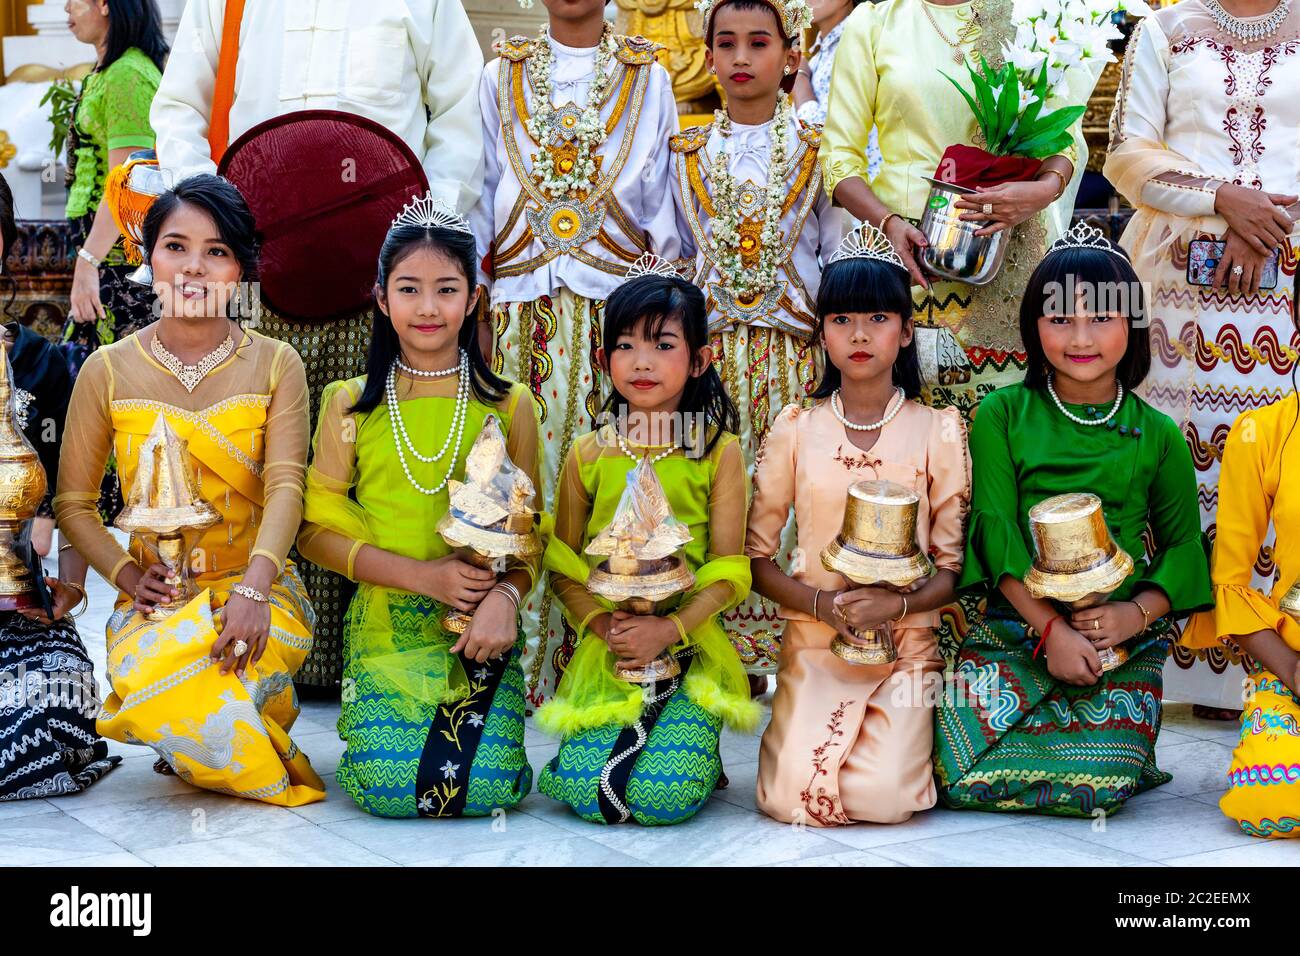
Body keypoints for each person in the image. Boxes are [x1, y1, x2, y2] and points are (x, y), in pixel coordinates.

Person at [150, 0, 487, 694]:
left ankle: (355, 660)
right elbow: (179, 103)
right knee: (261, 456)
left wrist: (423, 233)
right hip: (263, 270)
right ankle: (265, 645)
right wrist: (212, 208)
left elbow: (460, 114)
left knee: (364, 454)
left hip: (378, 275)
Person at [54, 175, 325, 806]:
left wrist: (256, 590)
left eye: (217, 251)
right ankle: (241, 744)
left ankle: (209, 731)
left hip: (258, 593)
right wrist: (123, 574)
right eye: (176, 246)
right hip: (156, 601)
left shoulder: (276, 363)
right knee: (158, 663)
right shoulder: (108, 369)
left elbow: (288, 485)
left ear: (239, 271)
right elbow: (73, 503)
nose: (194, 268)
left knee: (223, 665)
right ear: (149, 257)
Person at [932, 226, 1213, 816]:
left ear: (1131, 326)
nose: (1080, 338)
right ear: (1033, 326)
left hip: (1120, 637)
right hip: (1019, 624)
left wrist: (1132, 616)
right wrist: (1049, 631)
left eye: (1101, 319)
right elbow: (993, 530)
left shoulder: (1158, 434)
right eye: (1060, 320)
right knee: (956, 769)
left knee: (1100, 782)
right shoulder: (1000, 413)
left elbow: (1185, 548)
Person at [471, 0, 682, 706]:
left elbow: (663, 201)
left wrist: (655, 314)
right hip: (520, 308)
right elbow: (480, 187)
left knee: (610, 481)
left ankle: (602, 661)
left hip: (614, 317)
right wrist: (475, 291)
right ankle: (514, 660)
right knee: (519, 477)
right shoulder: (502, 71)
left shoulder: (646, 75)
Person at [298, 197, 535, 818]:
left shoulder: (511, 405)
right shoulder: (348, 403)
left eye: (445, 289)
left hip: (475, 630)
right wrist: (425, 577)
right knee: (390, 789)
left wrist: (504, 601)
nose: (428, 308)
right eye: (409, 289)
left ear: (473, 299)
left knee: (482, 788)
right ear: (381, 299)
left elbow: (531, 537)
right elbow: (315, 531)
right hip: (387, 621)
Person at [1103, 0, 1300, 716]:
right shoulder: (1167, 29)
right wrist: (1224, 200)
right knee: (1190, 464)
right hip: (1183, 292)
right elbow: (1124, 154)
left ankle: (1279, 660)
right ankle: (1193, 671)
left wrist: (1266, 220)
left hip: (1291, 290)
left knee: (1284, 467)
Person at [748, 223, 969, 826]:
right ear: (822, 334)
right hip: (817, 641)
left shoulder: (938, 429)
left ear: (905, 331)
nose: (860, 334)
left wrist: (893, 610)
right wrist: (823, 606)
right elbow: (758, 559)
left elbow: (950, 569)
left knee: (886, 799)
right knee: (787, 798)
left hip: (905, 646)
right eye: (841, 320)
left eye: (877, 317)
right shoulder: (796, 427)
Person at [536, 259, 758, 825]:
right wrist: (604, 626)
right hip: (610, 648)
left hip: (689, 645)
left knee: (661, 798)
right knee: (592, 797)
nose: (641, 362)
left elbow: (732, 570)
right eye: (625, 345)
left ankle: (698, 753)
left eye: (662, 345)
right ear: (603, 358)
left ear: (700, 359)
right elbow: (561, 563)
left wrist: (670, 628)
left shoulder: (717, 451)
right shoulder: (589, 453)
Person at [671, 0, 843, 682]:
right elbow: (676, 257)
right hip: (710, 361)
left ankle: (794, 648)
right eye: (728, 44)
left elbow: (834, 256)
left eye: (759, 43)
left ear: (789, 56)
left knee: (791, 499)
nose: (743, 59)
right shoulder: (684, 148)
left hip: (793, 354)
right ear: (707, 56)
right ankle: (712, 652)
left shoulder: (818, 146)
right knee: (714, 496)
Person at [0, 170, 118, 800]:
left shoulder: (44, 367)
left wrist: (68, 588)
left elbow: (79, 496)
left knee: (45, 727)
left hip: (18, 618)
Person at [1181, 326, 1300, 837]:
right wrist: (1293, 671)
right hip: (1293, 660)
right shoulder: (1262, 434)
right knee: (1272, 797)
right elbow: (1228, 583)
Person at [63, 0, 167, 374]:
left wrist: (89, 261)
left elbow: (125, 184)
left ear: (105, 5)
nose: (65, 8)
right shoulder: (111, 70)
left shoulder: (127, 74)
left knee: (117, 373)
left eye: (74, 1)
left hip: (115, 256)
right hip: (100, 248)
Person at [791, 0, 879, 180]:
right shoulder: (820, 53)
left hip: (858, 189)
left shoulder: (857, 42)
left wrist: (799, 79)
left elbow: (823, 135)